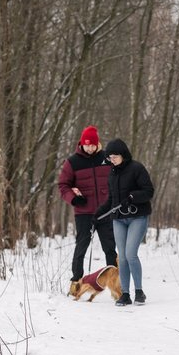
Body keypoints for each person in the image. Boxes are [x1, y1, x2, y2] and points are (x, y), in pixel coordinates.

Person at [58, 126, 117, 296]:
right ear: (82, 144)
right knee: (81, 246)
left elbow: (118, 177)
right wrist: (74, 198)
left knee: (110, 248)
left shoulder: (107, 158)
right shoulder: (72, 162)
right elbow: (63, 185)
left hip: (105, 212)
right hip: (84, 212)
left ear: (97, 143)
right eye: (87, 145)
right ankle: (76, 281)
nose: (90, 148)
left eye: (93, 145)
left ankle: (114, 284)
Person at [95, 138, 154, 306]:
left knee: (130, 254)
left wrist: (133, 197)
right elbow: (111, 199)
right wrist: (98, 213)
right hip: (119, 219)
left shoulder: (137, 168)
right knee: (121, 258)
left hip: (137, 217)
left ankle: (139, 291)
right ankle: (125, 294)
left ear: (123, 155)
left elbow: (149, 191)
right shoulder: (112, 174)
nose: (111, 160)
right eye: (109, 158)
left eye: (114, 157)